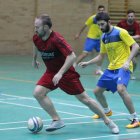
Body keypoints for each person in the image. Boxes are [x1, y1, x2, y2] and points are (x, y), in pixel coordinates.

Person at [32, 14, 119, 134]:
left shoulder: (57, 39)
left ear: (46, 27)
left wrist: (60, 73)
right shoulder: (37, 37)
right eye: (35, 27)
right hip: (51, 72)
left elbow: (71, 56)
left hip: (66, 73)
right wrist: (34, 58)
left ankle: (107, 120)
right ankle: (56, 120)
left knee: (85, 99)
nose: (35, 29)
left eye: (37, 27)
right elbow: (36, 45)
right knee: (38, 93)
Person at [79, 12, 140, 129]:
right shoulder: (103, 37)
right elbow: (101, 56)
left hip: (123, 66)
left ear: (109, 22)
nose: (100, 27)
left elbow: (136, 47)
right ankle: (107, 111)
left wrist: (128, 61)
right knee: (97, 91)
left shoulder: (121, 32)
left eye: (102, 24)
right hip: (112, 68)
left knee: (121, 89)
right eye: (99, 25)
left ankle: (135, 119)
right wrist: (88, 62)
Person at [74, 5, 105, 75]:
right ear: (98, 11)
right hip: (91, 39)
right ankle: (73, 67)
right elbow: (84, 26)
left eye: (102, 10)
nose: (101, 12)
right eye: (100, 11)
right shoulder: (93, 18)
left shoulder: (105, 18)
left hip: (99, 40)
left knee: (101, 54)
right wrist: (78, 34)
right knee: (84, 54)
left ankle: (98, 70)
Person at [117, 10, 140, 80]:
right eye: (129, 16)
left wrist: (127, 38)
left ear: (134, 17)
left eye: (132, 16)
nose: (130, 17)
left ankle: (129, 74)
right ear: (127, 17)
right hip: (121, 46)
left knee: (134, 63)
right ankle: (118, 74)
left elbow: (138, 36)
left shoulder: (136, 25)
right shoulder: (121, 23)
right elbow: (116, 32)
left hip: (130, 47)